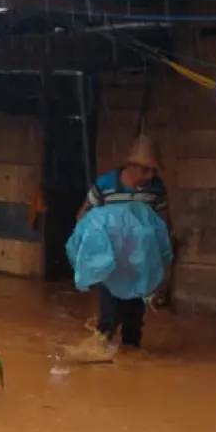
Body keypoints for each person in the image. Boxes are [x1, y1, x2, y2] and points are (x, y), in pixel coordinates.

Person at [73, 135, 172, 350]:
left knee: (134, 322)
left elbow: (163, 225)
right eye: (146, 170)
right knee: (108, 317)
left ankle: (130, 361)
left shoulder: (156, 189)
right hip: (111, 264)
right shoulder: (105, 185)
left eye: (153, 171)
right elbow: (83, 217)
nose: (150, 176)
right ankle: (99, 354)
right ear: (132, 166)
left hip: (139, 264)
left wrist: (162, 269)